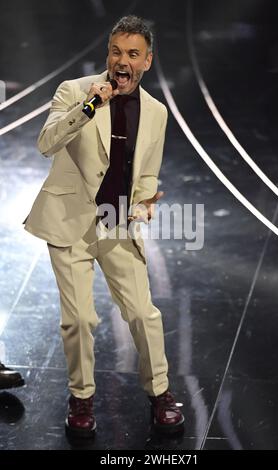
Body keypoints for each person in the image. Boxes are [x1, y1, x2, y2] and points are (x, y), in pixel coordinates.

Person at [24, 15, 184, 438]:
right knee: (79, 320)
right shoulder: (75, 92)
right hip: (70, 222)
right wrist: (90, 106)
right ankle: (81, 399)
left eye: (133, 53)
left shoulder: (156, 113)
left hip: (116, 223)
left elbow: (146, 177)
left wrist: (145, 206)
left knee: (143, 314)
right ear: (107, 54)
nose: (121, 60)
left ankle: (161, 394)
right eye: (116, 51)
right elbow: (45, 143)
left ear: (147, 61)